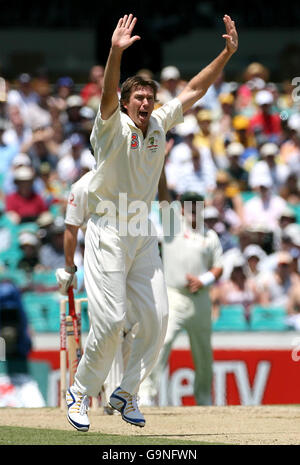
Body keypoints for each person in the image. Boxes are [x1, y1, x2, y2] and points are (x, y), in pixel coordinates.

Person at [65, 13, 238, 432]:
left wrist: (227, 54)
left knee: (158, 318)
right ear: (126, 104)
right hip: (107, 230)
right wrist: (114, 52)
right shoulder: (110, 126)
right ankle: (80, 391)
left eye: (149, 97)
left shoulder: (160, 123)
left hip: (142, 231)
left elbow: (197, 88)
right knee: (108, 326)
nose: (145, 103)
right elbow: (108, 91)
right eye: (138, 97)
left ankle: (126, 393)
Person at [56, 169, 138, 415]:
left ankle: (123, 392)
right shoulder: (83, 186)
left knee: (130, 329)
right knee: (109, 326)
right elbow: (71, 228)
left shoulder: (129, 176)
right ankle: (110, 393)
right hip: (100, 262)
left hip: (131, 262)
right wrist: (69, 268)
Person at [143, 171, 223, 407]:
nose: (194, 211)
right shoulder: (173, 226)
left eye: (197, 206)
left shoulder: (210, 236)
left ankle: (204, 398)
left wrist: (204, 280)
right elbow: (164, 196)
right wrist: (160, 167)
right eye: (189, 206)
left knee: (204, 353)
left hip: (200, 300)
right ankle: (146, 393)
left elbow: (219, 267)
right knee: (162, 343)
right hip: (174, 295)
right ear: (182, 209)